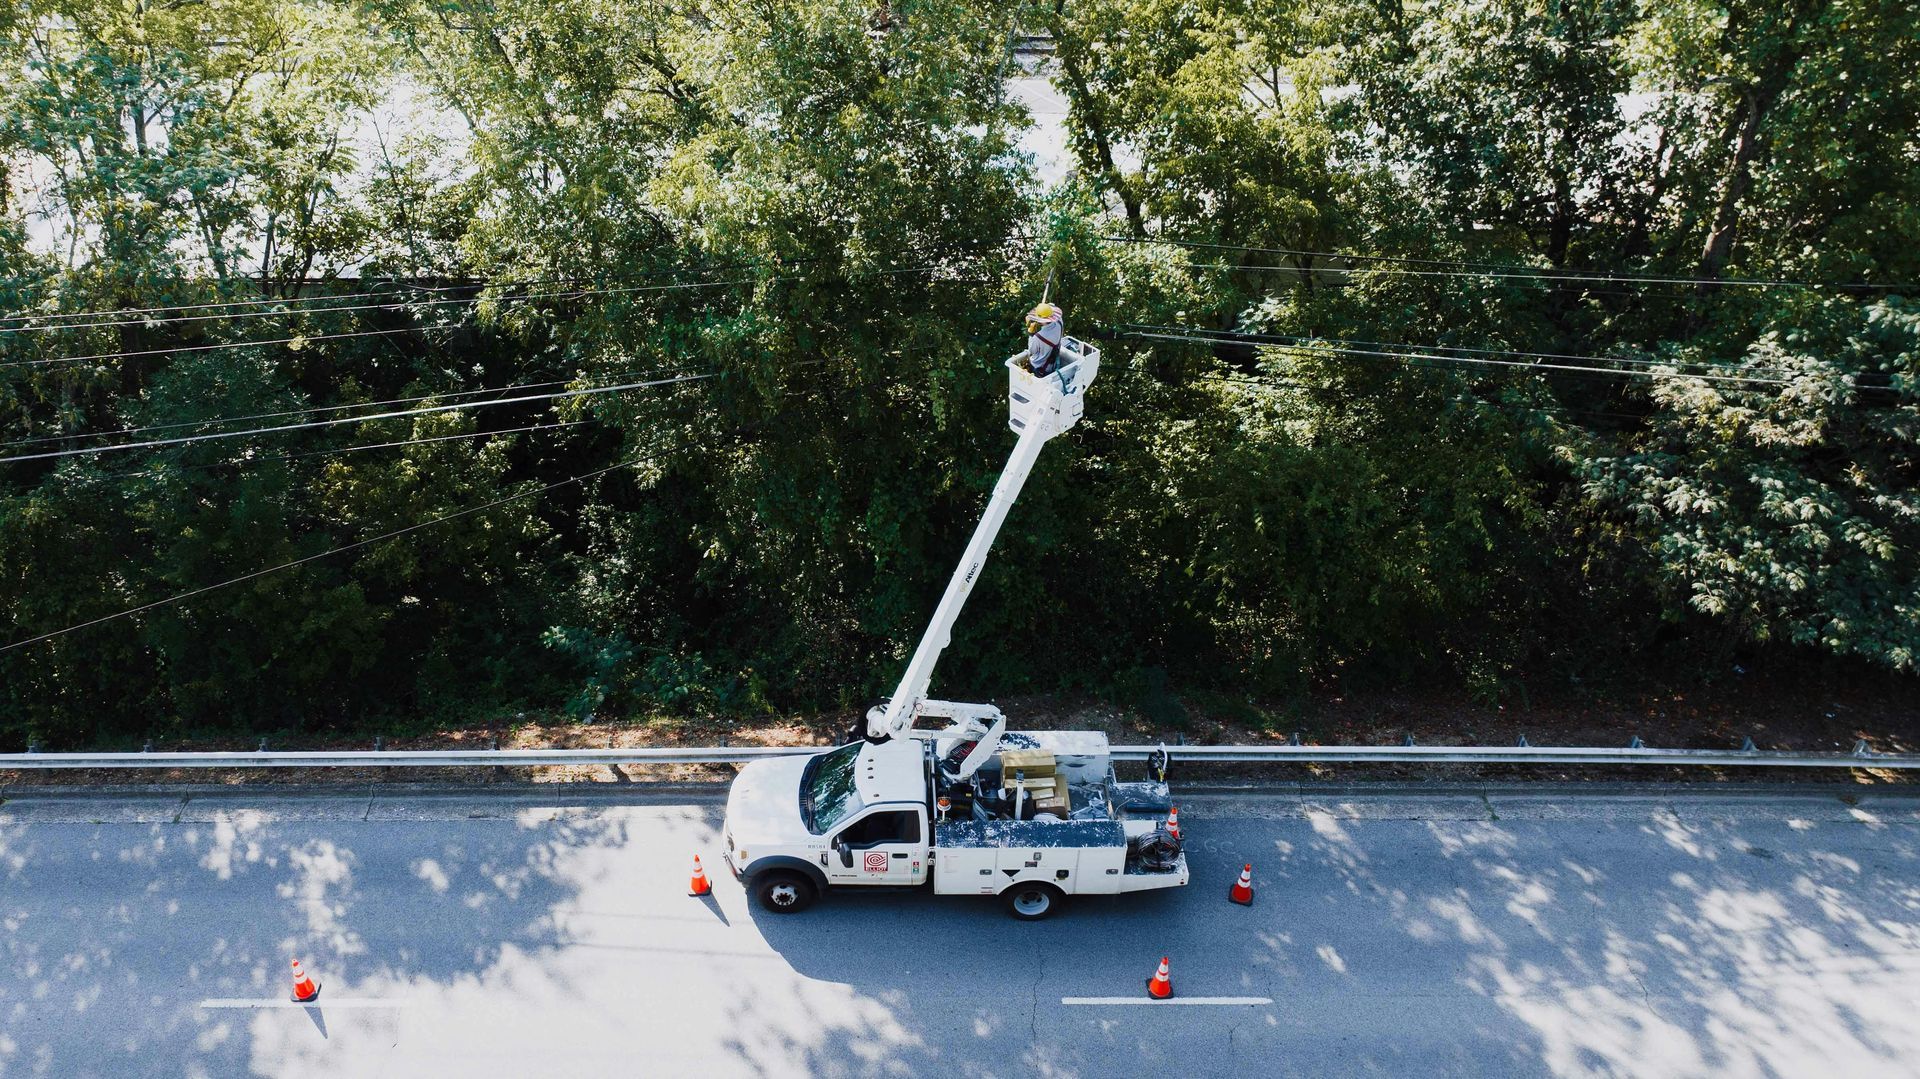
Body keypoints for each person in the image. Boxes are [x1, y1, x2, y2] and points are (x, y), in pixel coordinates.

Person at [1025, 302, 1064, 375]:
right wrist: (1046, 308)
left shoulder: (1039, 337)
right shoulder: (1059, 322)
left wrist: (1031, 334)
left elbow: (1031, 351)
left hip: (1040, 368)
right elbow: (1052, 305)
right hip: (1053, 364)